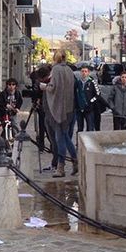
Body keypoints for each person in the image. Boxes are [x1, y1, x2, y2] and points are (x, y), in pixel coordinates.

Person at [41, 50, 77, 178]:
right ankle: (75, 160)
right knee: (66, 137)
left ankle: (61, 167)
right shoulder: (69, 70)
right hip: (69, 109)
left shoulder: (56, 70)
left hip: (58, 110)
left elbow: (52, 88)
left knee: (60, 138)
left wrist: (43, 86)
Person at [74, 66, 99, 133]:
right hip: (79, 109)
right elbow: (74, 94)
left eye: (85, 71)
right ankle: (79, 142)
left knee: (90, 127)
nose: (84, 73)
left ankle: (90, 142)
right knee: (80, 128)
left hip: (89, 109)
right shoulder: (77, 83)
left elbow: (98, 94)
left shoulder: (92, 82)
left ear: (88, 73)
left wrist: (91, 101)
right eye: (82, 71)